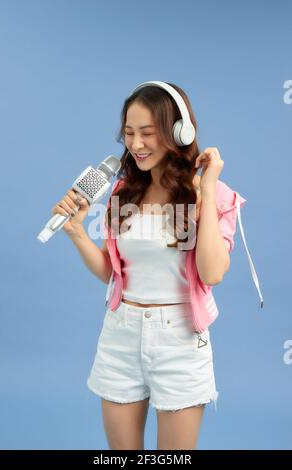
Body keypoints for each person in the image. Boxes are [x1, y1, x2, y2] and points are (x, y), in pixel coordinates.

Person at [51, 81, 263, 450]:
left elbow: (213, 273)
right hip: (120, 334)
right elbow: (112, 273)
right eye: (129, 133)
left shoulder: (212, 196)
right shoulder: (123, 192)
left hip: (179, 340)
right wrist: (77, 232)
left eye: (148, 133)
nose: (135, 145)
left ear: (179, 132)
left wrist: (207, 189)